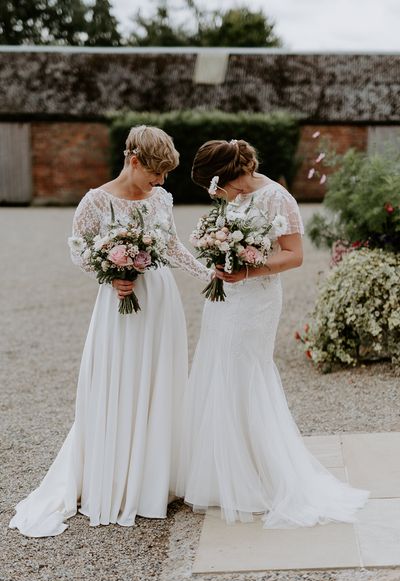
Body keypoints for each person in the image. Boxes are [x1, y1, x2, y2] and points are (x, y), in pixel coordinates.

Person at [9, 125, 212, 537]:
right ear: (133, 160)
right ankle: (118, 477)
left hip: (159, 300)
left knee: (158, 381)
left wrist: (206, 273)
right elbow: (79, 248)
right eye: (155, 173)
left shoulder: (161, 199)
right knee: (119, 381)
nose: (160, 181)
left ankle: (153, 478)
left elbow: (170, 245)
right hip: (118, 304)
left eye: (165, 175)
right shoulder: (95, 201)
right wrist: (109, 275)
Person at [176, 138, 369, 528]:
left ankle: (259, 475)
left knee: (245, 371)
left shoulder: (278, 198)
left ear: (231, 174)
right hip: (226, 295)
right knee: (217, 366)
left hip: (257, 299)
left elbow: (293, 255)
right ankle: (222, 472)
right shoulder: (233, 196)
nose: (214, 195)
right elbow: (228, 240)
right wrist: (220, 257)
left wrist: (249, 269)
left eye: (214, 186)